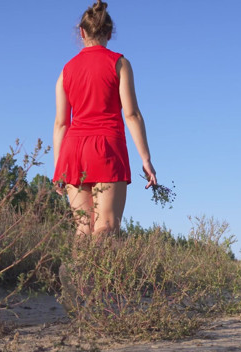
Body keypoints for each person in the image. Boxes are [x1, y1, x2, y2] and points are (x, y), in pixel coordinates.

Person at [53, 0, 157, 237]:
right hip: (107, 149)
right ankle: (98, 275)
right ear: (110, 33)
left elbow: (61, 123)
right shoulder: (120, 63)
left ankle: (77, 274)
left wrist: (59, 168)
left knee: (83, 230)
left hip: (73, 151)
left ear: (81, 33)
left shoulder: (66, 70)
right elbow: (131, 114)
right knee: (106, 229)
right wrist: (146, 159)